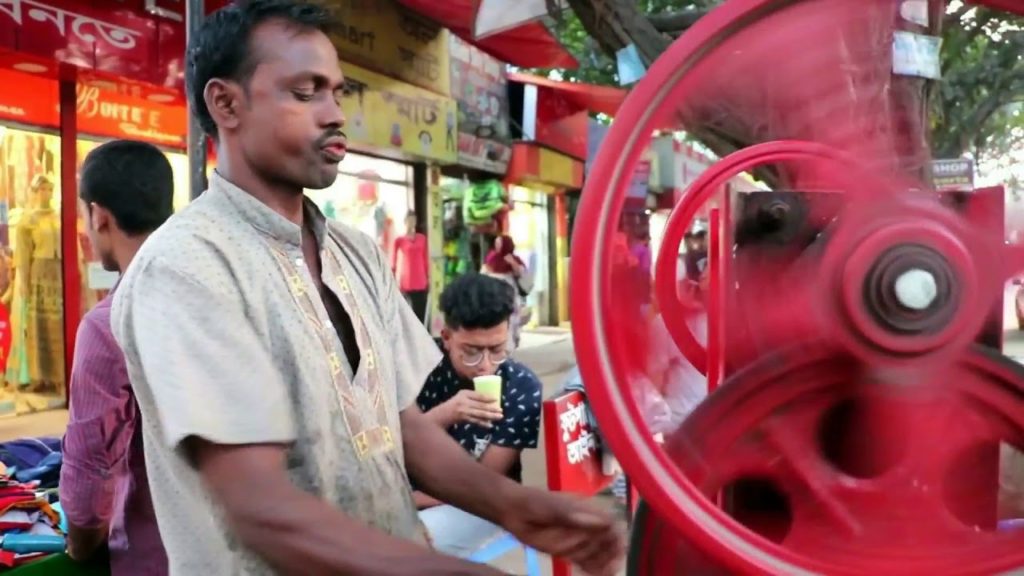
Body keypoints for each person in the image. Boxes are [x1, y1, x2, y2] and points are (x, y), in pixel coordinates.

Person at [110, 2, 624, 575]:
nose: (334, 114)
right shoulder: (187, 267)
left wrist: (516, 505)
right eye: (306, 93)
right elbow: (259, 507)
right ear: (226, 103)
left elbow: (398, 428)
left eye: (337, 92)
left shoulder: (357, 252)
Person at [59, 140, 175, 575]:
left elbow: (89, 478)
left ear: (99, 215)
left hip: (154, 557)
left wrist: (80, 545)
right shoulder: (218, 295)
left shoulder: (108, 324)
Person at [415, 274, 544, 557]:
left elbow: (483, 484)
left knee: (406, 540)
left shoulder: (521, 388)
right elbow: (390, 443)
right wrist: (445, 414)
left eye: (497, 351)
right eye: (471, 353)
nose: (485, 366)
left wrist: (407, 500)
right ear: (447, 338)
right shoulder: (418, 369)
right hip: (409, 495)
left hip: (482, 505)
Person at [482, 234, 533, 348]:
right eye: (496, 242)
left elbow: (521, 273)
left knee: (511, 318)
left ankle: (510, 341)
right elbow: (485, 271)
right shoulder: (492, 257)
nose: (497, 245)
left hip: (509, 293)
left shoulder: (513, 259)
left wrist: (512, 263)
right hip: (493, 293)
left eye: (500, 242)